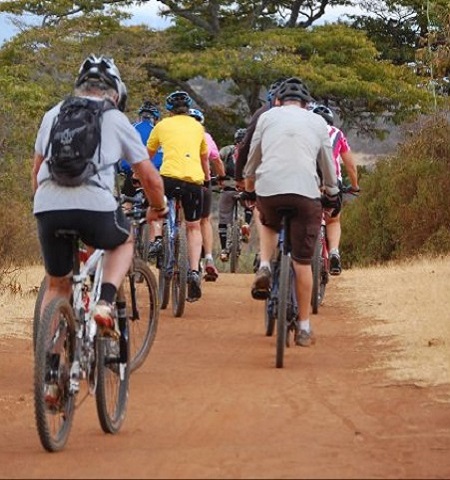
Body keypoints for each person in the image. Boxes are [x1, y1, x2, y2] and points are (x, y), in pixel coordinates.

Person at [32, 54, 167, 340]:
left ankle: (50, 371)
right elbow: (149, 177)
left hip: (47, 205)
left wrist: (43, 209)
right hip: (94, 206)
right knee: (124, 240)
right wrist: (159, 207)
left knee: (57, 285)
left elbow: (36, 170)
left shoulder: (53, 114)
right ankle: (104, 302)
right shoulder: (116, 119)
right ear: (116, 91)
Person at [243, 77, 341, 347]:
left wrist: (250, 186)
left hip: (270, 189)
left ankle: (264, 265)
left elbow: (253, 157)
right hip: (305, 193)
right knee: (302, 262)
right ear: (307, 104)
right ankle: (305, 326)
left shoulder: (267, 118)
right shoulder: (318, 122)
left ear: (277, 101)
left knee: (268, 221)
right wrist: (332, 192)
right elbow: (328, 164)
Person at [147, 91, 209, 302]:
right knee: (193, 226)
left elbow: (148, 154)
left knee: (155, 211)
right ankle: (193, 271)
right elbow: (204, 158)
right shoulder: (198, 127)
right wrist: (207, 178)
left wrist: (141, 176)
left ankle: (155, 239)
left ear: (170, 110)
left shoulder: (162, 125)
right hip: (193, 182)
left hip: (168, 179)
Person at [312, 104, 360, 275]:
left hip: (308, 182)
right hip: (332, 185)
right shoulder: (337, 133)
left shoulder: (305, 130)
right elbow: (350, 165)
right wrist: (354, 186)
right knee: (333, 220)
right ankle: (334, 252)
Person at [119, 100, 165, 257]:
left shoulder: (131, 128)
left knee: (126, 203)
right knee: (155, 208)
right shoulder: (158, 131)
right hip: (153, 175)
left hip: (131, 173)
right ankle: (154, 240)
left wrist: (121, 168)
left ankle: (123, 233)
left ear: (140, 116)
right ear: (155, 118)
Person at [188, 107, 226, 281]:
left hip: (179, 179)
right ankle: (209, 256)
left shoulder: (178, 134)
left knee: (187, 221)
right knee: (205, 220)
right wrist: (221, 178)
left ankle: (185, 259)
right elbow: (216, 160)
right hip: (202, 181)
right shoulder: (206, 137)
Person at [218, 127, 254, 262]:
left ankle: (223, 250)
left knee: (223, 219)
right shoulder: (251, 151)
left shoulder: (227, 150)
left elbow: (217, 159)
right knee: (249, 206)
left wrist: (219, 178)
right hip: (245, 188)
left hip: (228, 188)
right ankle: (246, 223)